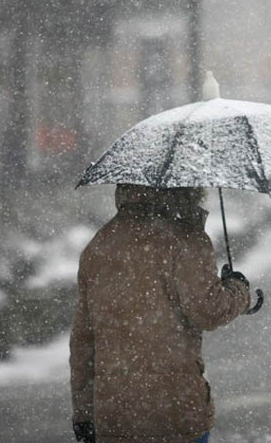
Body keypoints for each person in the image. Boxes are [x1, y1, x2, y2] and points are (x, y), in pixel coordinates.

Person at [69, 184, 251, 443]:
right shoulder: (186, 239)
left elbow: (83, 343)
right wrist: (238, 290)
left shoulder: (100, 244)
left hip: (114, 415)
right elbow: (210, 310)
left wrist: (84, 414)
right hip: (175, 412)